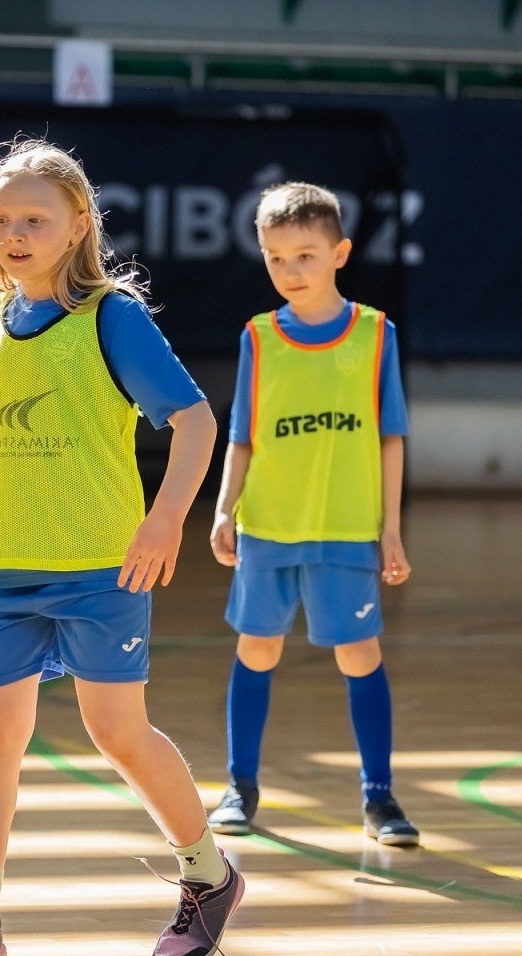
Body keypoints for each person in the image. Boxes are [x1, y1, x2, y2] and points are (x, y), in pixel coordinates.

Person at [0, 139, 242, 956]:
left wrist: (166, 517)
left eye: (35, 218)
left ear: (79, 226)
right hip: (1, 574)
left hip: (102, 567)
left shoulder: (111, 316)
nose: (15, 232)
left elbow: (196, 421)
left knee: (119, 733)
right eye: (0, 218)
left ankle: (209, 876)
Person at [206, 182, 419, 847]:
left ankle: (379, 799)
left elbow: (391, 436)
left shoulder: (375, 334)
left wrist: (390, 529)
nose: (290, 271)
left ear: (340, 253)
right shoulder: (260, 338)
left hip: (347, 527)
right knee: (257, 648)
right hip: (269, 524)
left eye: (304, 255)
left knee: (359, 655)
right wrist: (223, 510)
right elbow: (241, 433)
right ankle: (239, 787)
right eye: (275, 258)